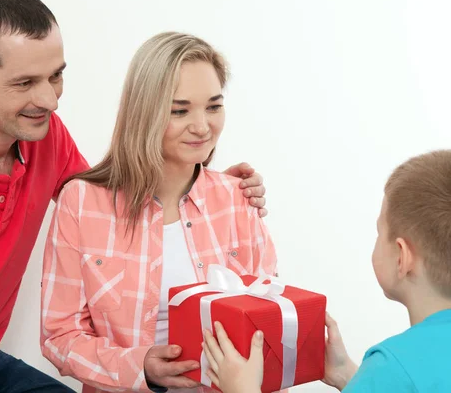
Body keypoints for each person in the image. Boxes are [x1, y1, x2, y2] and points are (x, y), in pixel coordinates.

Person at [0, 0, 269, 392]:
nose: (49, 100)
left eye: (56, 76)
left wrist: (214, 186)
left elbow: (110, 199)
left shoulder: (43, 136)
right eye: (25, 83)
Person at [40, 32, 278, 393]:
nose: (202, 126)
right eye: (179, 110)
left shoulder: (238, 198)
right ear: (144, 112)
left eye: (213, 106)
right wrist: (140, 368)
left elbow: (267, 324)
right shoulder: (82, 202)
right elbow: (60, 335)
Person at [202, 149, 451, 393]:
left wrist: (243, 388)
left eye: (381, 232)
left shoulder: (392, 367)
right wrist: (346, 374)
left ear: (402, 257)